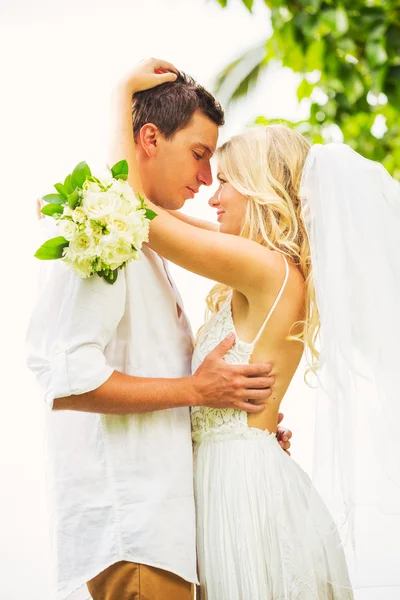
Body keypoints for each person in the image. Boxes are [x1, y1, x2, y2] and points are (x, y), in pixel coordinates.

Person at [26, 59, 292, 600]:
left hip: (171, 530)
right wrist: (199, 392)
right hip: (136, 527)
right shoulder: (103, 236)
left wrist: (238, 430)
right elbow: (69, 376)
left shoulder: (138, 236)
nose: (205, 181)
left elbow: (138, 213)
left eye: (219, 174)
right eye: (199, 156)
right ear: (149, 137)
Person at [118, 64, 356, 599]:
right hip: (236, 471)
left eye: (224, 180)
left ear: (260, 190)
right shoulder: (267, 265)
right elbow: (164, 218)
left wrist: (122, 99)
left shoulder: (268, 270)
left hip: (240, 485)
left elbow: (138, 216)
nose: (212, 194)